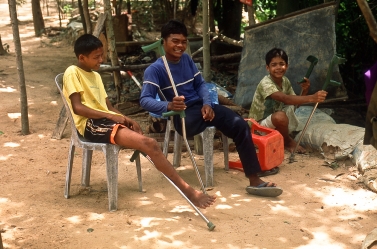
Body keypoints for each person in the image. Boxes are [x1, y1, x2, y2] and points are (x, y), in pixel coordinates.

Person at [62, 34, 216, 209]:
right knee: (149, 143)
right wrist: (113, 117)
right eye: (96, 57)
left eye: (101, 55)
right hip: (91, 125)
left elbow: (108, 107)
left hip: (105, 121)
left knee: (148, 143)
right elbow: (77, 108)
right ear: (82, 57)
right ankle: (189, 192)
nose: (101, 59)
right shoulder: (72, 72)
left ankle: (188, 191)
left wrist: (128, 119)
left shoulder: (96, 76)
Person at [140, 20, 283, 197]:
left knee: (240, 125)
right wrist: (169, 105)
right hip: (183, 115)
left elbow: (201, 84)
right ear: (163, 42)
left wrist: (207, 103)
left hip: (201, 107)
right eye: (175, 41)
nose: (180, 46)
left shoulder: (186, 59)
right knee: (200, 119)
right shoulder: (155, 69)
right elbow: (145, 100)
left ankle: (254, 180)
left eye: (184, 42)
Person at [248, 48, 328, 153]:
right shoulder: (265, 83)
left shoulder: (285, 81)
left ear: (287, 66)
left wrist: (305, 90)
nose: (278, 68)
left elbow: (294, 105)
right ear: (267, 68)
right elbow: (285, 99)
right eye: (274, 65)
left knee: (289, 108)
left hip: (272, 122)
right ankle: (287, 141)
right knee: (281, 116)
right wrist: (312, 97)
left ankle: (282, 137)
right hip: (258, 127)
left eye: (281, 64)